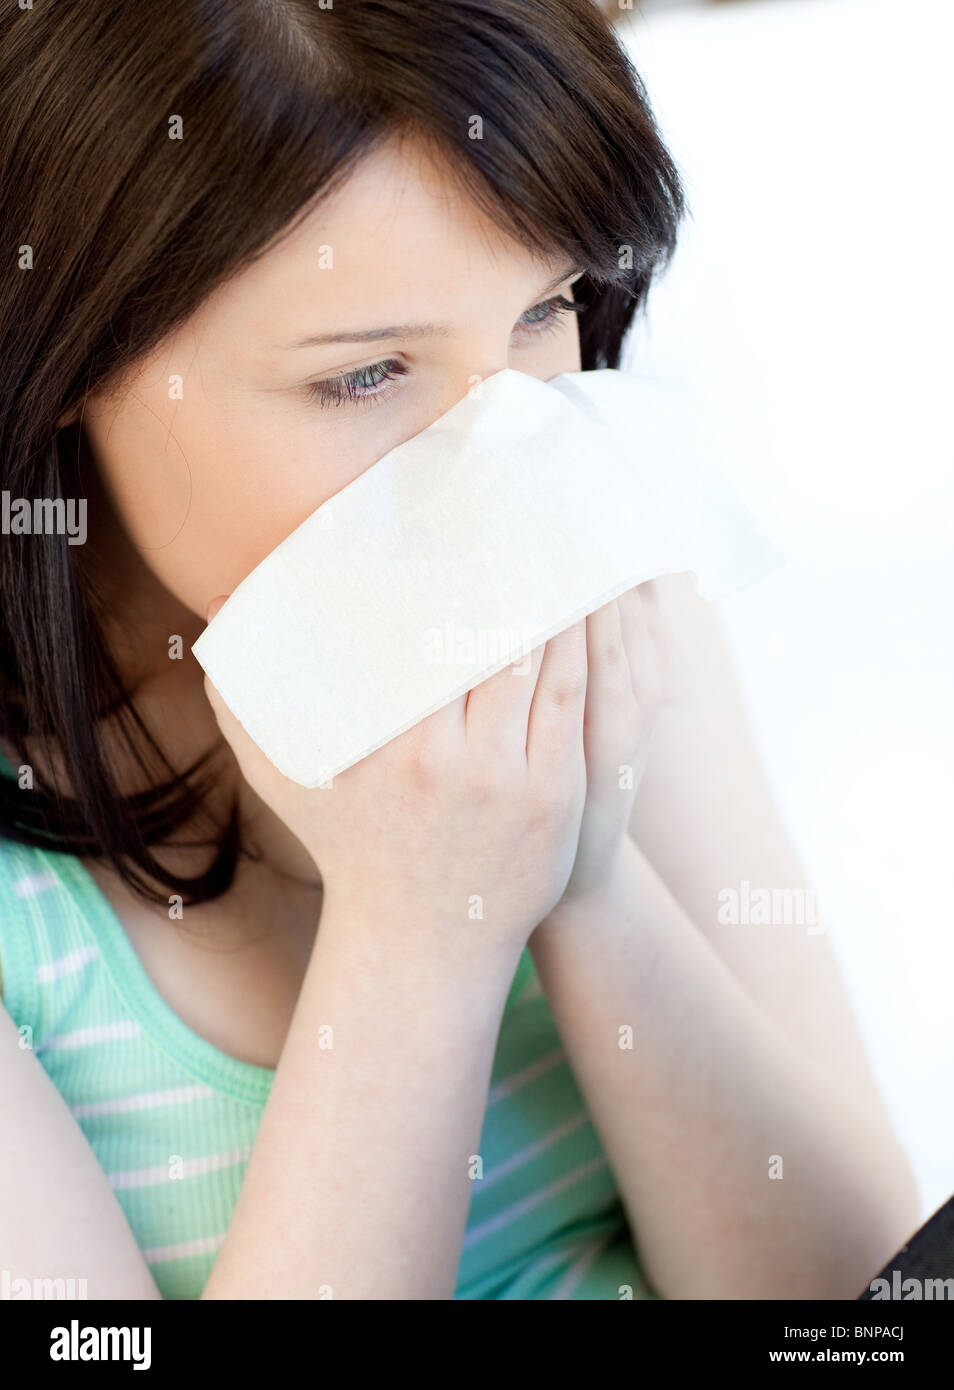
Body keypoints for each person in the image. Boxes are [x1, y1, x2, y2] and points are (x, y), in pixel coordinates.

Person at [0, 0, 919, 1300]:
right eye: (369, 374)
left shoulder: (600, 572)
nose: (507, 458)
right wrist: (417, 932)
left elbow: (855, 1298)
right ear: (68, 363)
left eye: (544, 312)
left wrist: (582, 876)